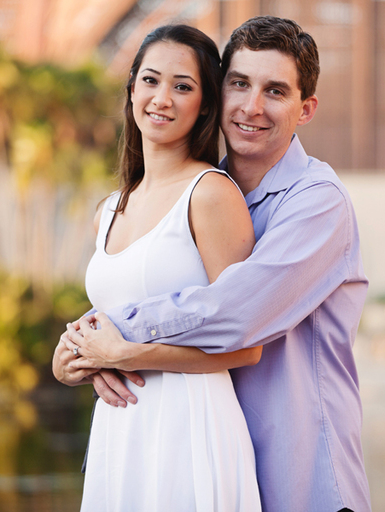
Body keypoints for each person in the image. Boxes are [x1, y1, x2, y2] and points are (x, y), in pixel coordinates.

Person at [57, 16, 372, 512]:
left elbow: (236, 311)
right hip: (200, 453)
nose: (251, 106)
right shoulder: (201, 194)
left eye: (275, 91)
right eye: (239, 84)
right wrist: (85, 346)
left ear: (306, 109)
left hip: (303, 479)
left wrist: (111, 337)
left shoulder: (318, 203)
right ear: (219, 93)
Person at [52, 24, 262, 512]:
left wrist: (130, 355)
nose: (162, 98)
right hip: (120, 430)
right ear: (131, 89)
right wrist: (70, 361)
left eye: (182, 86)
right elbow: (110, 321)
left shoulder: (210, 194)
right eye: (150, 80)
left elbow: (248, 346)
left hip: (189, 424)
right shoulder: (110, 209)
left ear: (205, 105)